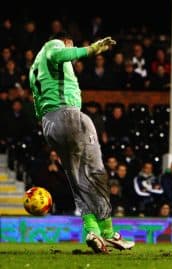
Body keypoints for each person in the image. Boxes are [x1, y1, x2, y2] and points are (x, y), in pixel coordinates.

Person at [29, 31, 135, 253]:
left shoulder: (34, 68)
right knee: (96, 173)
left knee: (77, 180)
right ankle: (108, 231)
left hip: (50, 125)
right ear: (67, 41)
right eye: (71, 45)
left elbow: (38, 107)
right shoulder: (53, 45)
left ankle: (91, 229)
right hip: (68, 115)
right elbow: (59, 55)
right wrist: (92, 49)